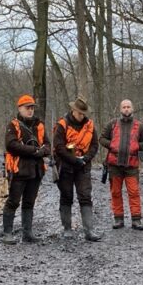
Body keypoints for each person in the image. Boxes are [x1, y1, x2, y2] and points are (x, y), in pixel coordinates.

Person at [2, 95, 51, 245]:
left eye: (32, 108)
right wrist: (34, 150)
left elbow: (48, 145)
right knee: (13, 201)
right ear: (20, 108)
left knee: (29, 202)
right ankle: (7, 233)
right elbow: (11, 145)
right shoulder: (13, 125)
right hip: (19, 170)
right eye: (27, 108)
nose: (30, 110)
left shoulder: (39, 125)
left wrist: (41, 151)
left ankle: (27, 233)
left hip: (36, 171)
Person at [54, 96, 101, 241]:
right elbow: (59, 147)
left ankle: (89, 231)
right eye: (80, 113)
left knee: (85, 197)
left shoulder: (90, 125)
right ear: (73, 110)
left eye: (83, 113)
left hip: (83, 167)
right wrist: (74, 160)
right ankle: (67, 228)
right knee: (66, 196)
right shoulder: (62, 124)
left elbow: (94, 145)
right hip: (66, 166)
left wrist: (86, 158)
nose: (82, 116)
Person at [99, 99, 143, 230]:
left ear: (132, 109)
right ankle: (118, 219)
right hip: (114, 165)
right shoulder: (112, 124)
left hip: (131, 166)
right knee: (115, 192)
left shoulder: (139, 126)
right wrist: (112, 144)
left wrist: (136, 146)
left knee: (134, 192)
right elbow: (102, 138)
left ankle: (136, 220)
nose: (126, 109)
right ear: (120, 109)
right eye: (124, 107)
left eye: (128, 107)